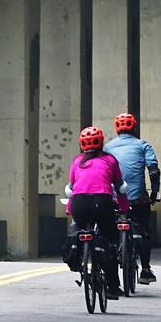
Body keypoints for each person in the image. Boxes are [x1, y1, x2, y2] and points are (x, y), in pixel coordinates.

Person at [66, 125, 129, 299]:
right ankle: (113, 287)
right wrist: (123, 208)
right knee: (109, 241)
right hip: (102, 202)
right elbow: (120, 188)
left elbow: (71, 190)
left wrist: (69, 209)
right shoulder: (110, 160)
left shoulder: (76, 161)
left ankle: (77, 258)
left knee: (78, 229)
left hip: (79, 204)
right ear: (101, 143)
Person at [104, 113, 161, 285]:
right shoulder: (143, 145)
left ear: (116, 129)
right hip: (138, 200)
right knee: (144, 230)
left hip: (114, 199)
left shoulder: (107, 148)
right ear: (134, 128)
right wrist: (155, 192)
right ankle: (145, 269)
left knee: (108, 234)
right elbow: (153, 170)